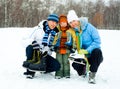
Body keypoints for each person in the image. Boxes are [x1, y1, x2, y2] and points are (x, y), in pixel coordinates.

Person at [67, 10, 103, 83]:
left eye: (73, 21)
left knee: (97, 52)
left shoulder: (89, 27)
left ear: (77, 19)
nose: (73, 23)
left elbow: (97, 41)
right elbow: (72, 43)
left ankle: (92, 75)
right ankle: (84, 70)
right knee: (75, 65)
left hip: (94, 54)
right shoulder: (73, 31)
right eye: (70, 22)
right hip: (83, 55)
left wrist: (88, 50)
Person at [22, 14, 60, 78]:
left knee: (57, 66)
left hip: (44, 55)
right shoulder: (37, 29)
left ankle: (42, 68)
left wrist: (53, 48)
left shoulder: (55, 33)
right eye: (52, 21)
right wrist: (33, 42)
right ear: (48, 21)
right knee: (30, 47)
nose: (54, 24)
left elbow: (53, 46)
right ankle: (30, 71)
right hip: (35, 52)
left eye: (56, 23)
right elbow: (24, 40)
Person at [53, 15, 76, 79]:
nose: (62, 24)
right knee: (59, 61)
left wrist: (74, 47)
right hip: (58, 49)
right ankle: (59, 73)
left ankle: (67, 73)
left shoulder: (70, 31)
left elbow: (74, 39)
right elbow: (54, 39)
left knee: (66, 62)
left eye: (64, 22)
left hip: (67, 49)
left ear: (67, 23)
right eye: (61, 23)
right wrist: (53, 45)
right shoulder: (57, 31)